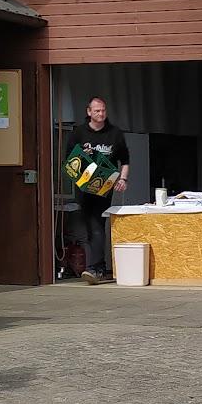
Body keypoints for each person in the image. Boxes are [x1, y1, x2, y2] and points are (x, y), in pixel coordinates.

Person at [66, 97, 129, 284]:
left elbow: (125, 160)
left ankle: (95, 268)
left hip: (104, 187)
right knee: (89, 226)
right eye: (97, 111)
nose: (100, 114)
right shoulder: (79, 133)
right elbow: (69, 159)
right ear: (88, 112)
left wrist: (123, 179)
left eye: (103, 111)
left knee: (97, 225)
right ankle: (97, 266)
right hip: (84, 187)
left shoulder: (114, 134)